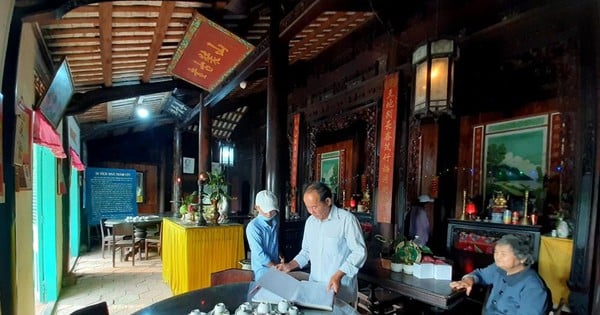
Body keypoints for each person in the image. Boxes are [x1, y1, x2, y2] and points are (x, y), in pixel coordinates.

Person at [276, 182, 367, 303]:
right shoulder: (311, 222)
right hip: (315, 288)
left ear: (328, 201)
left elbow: (359, 252)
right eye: (308, 207)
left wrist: (339, 274)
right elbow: (306, 252)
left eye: (314, 207)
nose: (311, 211)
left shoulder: (346, 220)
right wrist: (289, 265)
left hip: (340, 289)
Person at [449, 234, 551, 315]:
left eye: (503, 254)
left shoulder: (533, 288)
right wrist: (469, 279)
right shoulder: (498, 268)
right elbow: (480, 274)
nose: (497, 257)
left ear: (522, 258)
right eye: (496, 252)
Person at [246, 190, 281, 280]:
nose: (269, 214)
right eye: (265, 210)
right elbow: (259, 255)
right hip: (262, 271)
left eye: (272, 210)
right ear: (257, 207)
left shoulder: (275, 221)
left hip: (276, 267)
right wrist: (276, 267)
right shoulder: (253, 227)